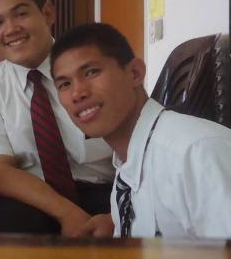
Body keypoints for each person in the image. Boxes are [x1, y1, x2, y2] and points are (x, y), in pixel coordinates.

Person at [51, 23, 231, 239]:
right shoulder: (126, 168)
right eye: (64, 84)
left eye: (91, 72)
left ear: (135, 73)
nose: (77, 93)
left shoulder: (197, 152)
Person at [0, 0, 114, 235]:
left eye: (21, 14)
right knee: (7, 221)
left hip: (102, 189)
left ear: (47, 14)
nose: (11, 29)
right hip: (31, 196)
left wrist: (119, 212)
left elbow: (137, 149)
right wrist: (69, 214)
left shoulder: (94, 67)